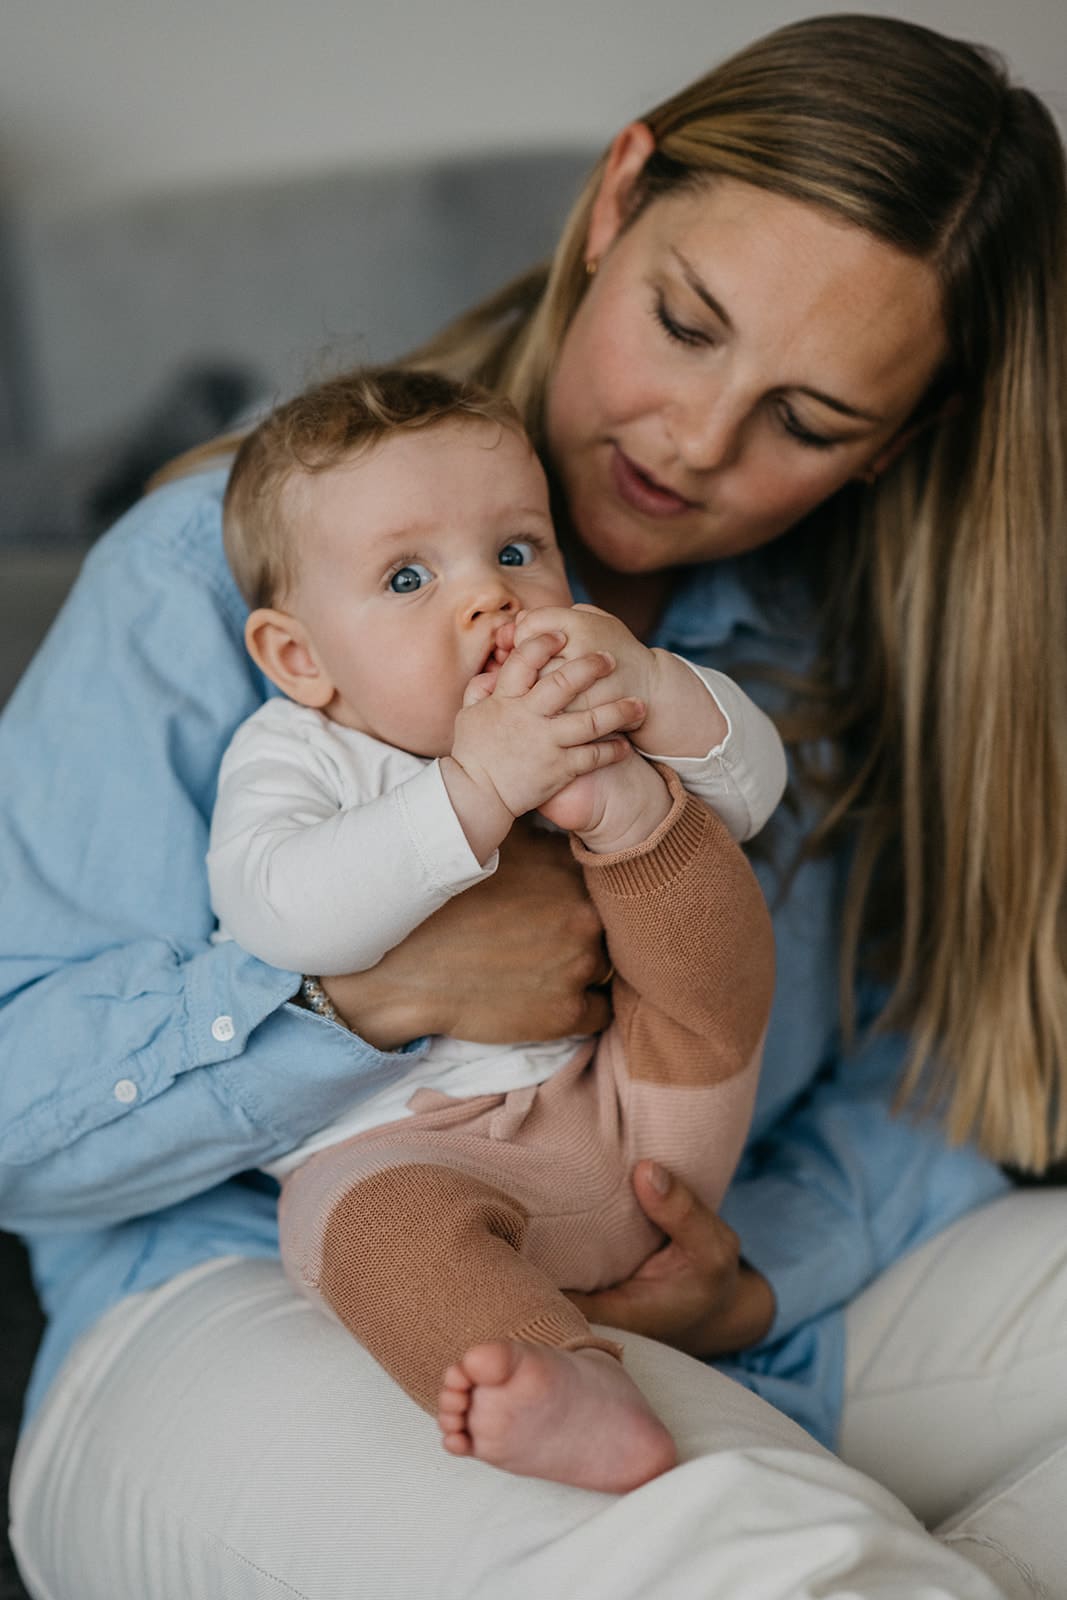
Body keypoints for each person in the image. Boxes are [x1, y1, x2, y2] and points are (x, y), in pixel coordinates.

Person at [4, 12, 1067, 1597]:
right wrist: (364, 997)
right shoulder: (205, 571)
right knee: (755, 1556)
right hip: (255, 1288)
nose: (692, 443)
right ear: (614, 200)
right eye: (687, 324)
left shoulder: (867, 636)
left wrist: (756, 1281)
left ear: (889, 445)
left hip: (734, 1261)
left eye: (807, 420)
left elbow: (939, 1064)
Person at [208, 365, 783, 1490]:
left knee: (693, 865)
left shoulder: (586, 690)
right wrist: (472, 790)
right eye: (409, 576)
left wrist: (653, 687)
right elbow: (281, 912)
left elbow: (753, 789)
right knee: (351, 1232)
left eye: (516, 550)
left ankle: (625, 820)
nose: (490, 600)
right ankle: (564, 1378)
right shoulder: (296, 750)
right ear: (299, 657)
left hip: (647, 1098)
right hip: (419, 1153)